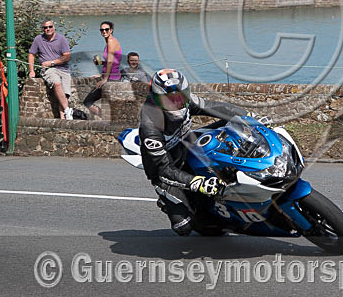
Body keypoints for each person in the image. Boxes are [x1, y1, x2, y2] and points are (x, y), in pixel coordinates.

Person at [139, 68, 247, 236]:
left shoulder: (187, 100)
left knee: (229, 124)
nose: (177, 103)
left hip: (188, 148)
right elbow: (164, 170)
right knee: (183, 227)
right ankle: (167, 200)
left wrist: (248, 116)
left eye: (180, 97)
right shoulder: (150, 127)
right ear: (157, 99)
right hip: (166, 169)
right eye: (170, 100)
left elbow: (217, 107)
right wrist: (198, 183)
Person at [28, 19, 73, 120]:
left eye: (50, 27)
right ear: (43, 29)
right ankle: (67, 110)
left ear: (54, 27)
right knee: (57, 83)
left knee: (65, 94)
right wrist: (31, 70)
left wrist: (52, 62)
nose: (48, 29)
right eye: (45, 27)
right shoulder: (38, 39)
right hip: (48, 70)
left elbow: (67, 57)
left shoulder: (62, 39)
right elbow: (31, 54)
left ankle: (63, 119)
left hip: (63, 69)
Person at [83, 21, 122, 118]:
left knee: (88, 101)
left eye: (106, 29)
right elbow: (112, 61)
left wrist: (104, 79)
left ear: (111, 30)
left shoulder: (111, 41)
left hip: (111, 78)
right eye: (102, 30)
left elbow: (110, 62)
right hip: (112, 76)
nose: (104, 31)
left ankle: (104, 117)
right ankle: (105, 117)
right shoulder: (109, 42)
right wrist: (100, 64)